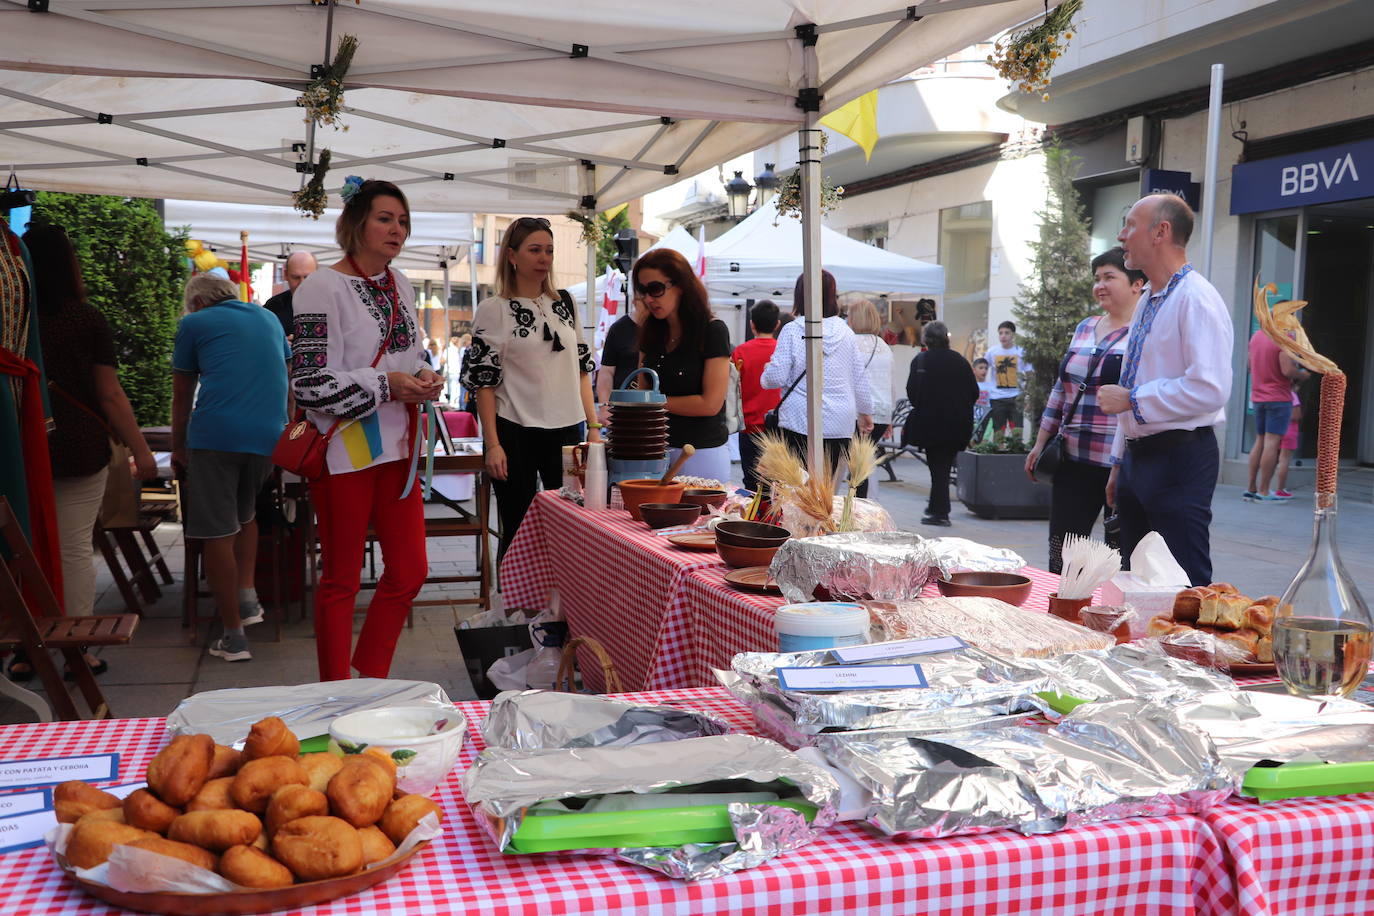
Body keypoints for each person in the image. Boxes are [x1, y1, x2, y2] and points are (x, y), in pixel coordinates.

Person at [291, 178, 443, 680]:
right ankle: (334, 689)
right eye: (385, 218)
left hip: (398, 449)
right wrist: (386, 384)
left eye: (402, 220)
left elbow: (411, 355)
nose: (396, 229)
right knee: (340, 580)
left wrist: (422, 377)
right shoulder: (319, 286)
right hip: (345, 454)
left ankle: (371, 675)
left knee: (411, 570)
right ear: (356, 223)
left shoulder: (399, 283)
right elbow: (309, 382)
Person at [17, 225, 157, 681]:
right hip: (76, 443)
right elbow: (109, 393)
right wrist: (141, 450)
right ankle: (77, 648)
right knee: (73, 545)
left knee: (22, 546)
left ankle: (23, 645)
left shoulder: (13, 314)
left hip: (19, 440)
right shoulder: (85, 318)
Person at [1101, 193, 1233, 587]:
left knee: (1181, 581)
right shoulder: (1152, 299)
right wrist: (1119, 460)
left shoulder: (1196, 299)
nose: (1122, 236)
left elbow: (1210, 388)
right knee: (1137, 580)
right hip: (1141, 458)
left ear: (1161, 231)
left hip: (1180, 456)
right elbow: (1132, 376)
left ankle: (1188, 651)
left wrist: (1134, 401)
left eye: (1130, 226)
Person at [462, 217, 599, 560]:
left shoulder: (566, 302)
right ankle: (513, 607)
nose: (544, 258)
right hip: (515, 431)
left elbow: (581, 370)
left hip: (567, 431)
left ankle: (563, 606)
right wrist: (492, 444)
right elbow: (484, 384)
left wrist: (594, 427)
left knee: (570, 525)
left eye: (549, 250)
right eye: (534, 249)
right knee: (518, 525)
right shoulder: (494, 310)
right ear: (512, 255)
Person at [173, 273, 291, 663]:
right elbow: (287, 382)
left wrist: (178, 447)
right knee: (246, 515)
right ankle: (248, 598)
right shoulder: (268, 318)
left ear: (200, 303)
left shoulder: (194, 323)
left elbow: (182, 393)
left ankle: (233, 637)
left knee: (215, 534)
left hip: (216, 437)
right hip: (268, 437)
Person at [1026, 247, 1142, 574]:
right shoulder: (1085, 327)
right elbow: (1060, 391)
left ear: (1136, 284)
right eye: (1097, 278)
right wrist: (1039, 443)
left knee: (1118, 560)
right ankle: (1060, 615)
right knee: (1062, 555)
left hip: (1119, 465)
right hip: (1073, 461)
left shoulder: (1143, 333)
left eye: (1109, 277)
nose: (1100, 285)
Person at [634, 248, 732, 483]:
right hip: (655, 450)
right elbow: (641, 389)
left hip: (701, 453)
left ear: (680, 285)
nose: (649, 298)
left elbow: (710, 404)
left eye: (655, 289)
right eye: (643, 291)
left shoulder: (712, 331)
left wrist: (651, 402)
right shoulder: (651, 332)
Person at [761, 270, 874, 473]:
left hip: (799, 419)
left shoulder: (793, 330)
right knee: (824, 488)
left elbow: (774, 379)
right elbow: (859, 378)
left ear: (800, 295)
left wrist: (768, 370)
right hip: (840, 422)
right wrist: (865, 412)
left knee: (795, 489)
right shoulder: (846, 333)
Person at [901, 321, 977, 526]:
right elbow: (974, 393)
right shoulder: (960, 361)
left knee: (938, 469)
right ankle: (937, 507)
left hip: (931, 424)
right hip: (958, 425)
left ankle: (940, 512)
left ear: (926, 339)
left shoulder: (921, 361)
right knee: (941, 468)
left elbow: (912, 393)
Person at [1244, 323, 1308, 502]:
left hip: (1258, 397)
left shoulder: (1256, 337)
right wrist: (1302, 374)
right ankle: (1264, 491)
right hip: (1278, 398)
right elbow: (1287, 370)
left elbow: (1250, 366)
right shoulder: (1283, 339)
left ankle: (1251, 487)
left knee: (1260, 440)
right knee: (1272, 443)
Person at [732, 300, 781, 490]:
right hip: (778, 428)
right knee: (777, 484)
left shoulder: (741, 352)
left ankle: (752, 518)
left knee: (751, 483)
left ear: (752, 324)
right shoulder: (782, 350)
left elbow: (732, 387)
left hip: (750, 427)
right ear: (777, 325)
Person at [847, 299, 893, 498]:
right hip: (882, 414)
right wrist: (889, 419)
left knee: (856, 469)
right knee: (862, 466)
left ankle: (855, 509)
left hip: (859, 413)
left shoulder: (850, 343)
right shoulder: (884, 346)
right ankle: (861, 506)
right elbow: (892, 385)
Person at [596, 293, 649, 426]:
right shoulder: (619, 329)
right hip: (624, 410)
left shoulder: (665, 327)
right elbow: (606, 372)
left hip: (658, 409)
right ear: (634, 301)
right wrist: (604, 406)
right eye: (645, 302)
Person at [976, 320, 1028, 440]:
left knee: (1017, 433)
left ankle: (1015, 456)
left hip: (1016, 397)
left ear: (1013, 335)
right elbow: (982, 368)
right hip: (997, 398)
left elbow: (1030, 374)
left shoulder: (1020, 351)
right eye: (1000, 333)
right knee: (998, 433)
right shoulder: (992, 351)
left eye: (1007, 333)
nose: (1003, 336)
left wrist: (1028, 396)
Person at [263, 250, 318, 341]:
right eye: (296, 277)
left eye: (307, 277)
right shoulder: (273, 306)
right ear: (286, 275)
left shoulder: (333, 306)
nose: (302, 284)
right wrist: (279, 344)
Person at [1273, 390, 1302, 500]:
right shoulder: (1292, 394)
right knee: (1284, 459)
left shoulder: (1275, 393)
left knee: (1274, 458)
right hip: (1289, 429)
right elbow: (1296, 415)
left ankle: (1265, 488)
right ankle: (1280, 490)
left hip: (1276, 428)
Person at [972, 358, 993, 437]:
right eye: (981, 368)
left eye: (986, 368)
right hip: (973, 418)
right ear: (974, 370)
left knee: (984, 440)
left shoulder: (990, 386)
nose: (984, 370)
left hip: (986, 418)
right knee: (972, 441)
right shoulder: (971, 385)